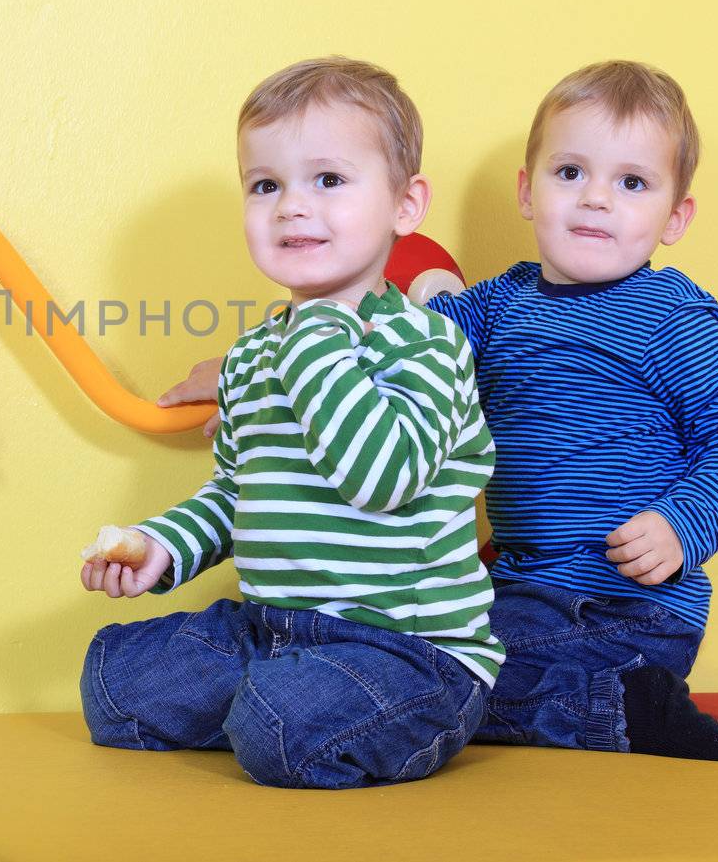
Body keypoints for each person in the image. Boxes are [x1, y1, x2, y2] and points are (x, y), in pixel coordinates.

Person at [158, 60, 718, 761]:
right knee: (407, 653)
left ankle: (620, 705)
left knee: (435, 668)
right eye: (570, 172)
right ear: (527, 190)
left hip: (621, 604)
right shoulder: (496, 305)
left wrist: (682, 521)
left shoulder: (669, 316)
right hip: (516, 587)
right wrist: (252, 372)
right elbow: (377, 335)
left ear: (676, 216)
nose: (596, 199)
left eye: (632, 183)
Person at [79, 57, 501, 789]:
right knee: (115, 682)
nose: (291, 206)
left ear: (406, 205)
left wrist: (314, 337)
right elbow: (238, 491)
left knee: (281, 721)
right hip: (273, 630)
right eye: (265, 185)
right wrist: (160, 546)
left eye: (328, 180)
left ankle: (312, 713)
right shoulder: (251, 355)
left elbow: (384, 477)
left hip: (409, 650)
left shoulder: (427, 344)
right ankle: (263, 702)